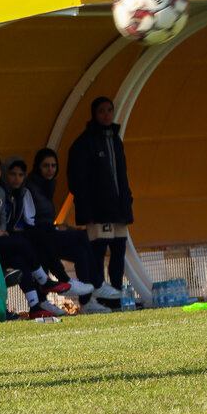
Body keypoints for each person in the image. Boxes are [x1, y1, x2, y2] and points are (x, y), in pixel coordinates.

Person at [0, 154, 68, 319]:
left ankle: (35, 306)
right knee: (21, 242)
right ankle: (44, 280)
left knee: (19, 259)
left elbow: (1, 217)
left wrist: (1, 230)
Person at [26, 148, 121, 313]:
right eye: (46, 166)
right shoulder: (32, 187)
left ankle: (86, 303)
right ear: (37, 167)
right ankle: (96, 284)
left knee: (80, 250)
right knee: (80, 237)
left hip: (47, 234)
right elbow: (34, 220)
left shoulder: (47, 186)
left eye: (53, 166)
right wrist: (57, 228)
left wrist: (59, 228)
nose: (50, 170)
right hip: (39, 237)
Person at [2, 157, 100, 310]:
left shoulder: (27, 191)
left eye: (20, 175)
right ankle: (63, 284)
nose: (17, 179)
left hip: (35, 233)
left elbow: (31, 219)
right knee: (42, 242)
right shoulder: (8, 192)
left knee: (71, 244)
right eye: (13, 174)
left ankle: (81, 296)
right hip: (13, 237)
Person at [67, 97, 135, 302]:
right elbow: (78, 181)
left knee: (119, 250)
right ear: (94, 114)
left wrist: (127, 202)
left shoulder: (115, 140)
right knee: (97, 252)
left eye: (109, 110)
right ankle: (95, 298)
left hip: (118, 209)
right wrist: (86, 212)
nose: (106, 115)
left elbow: (122, 176)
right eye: (101, 111)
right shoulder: (84, 142)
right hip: (98, 211)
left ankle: (115, 294)